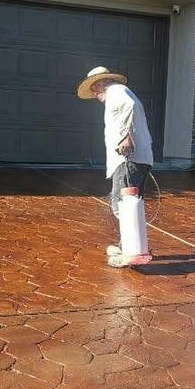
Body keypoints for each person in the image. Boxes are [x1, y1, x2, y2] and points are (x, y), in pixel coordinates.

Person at [77, 66, 154, 260]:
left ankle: (132, 250)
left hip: (128, 160)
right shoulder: (119, 92)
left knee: (122, 203)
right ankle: (133, 246)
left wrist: (125, 136)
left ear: (100, 83)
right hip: (139, 158)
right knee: (132, 203)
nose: (94, 94)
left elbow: (129, 106)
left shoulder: (115, 91)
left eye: (94, 89)